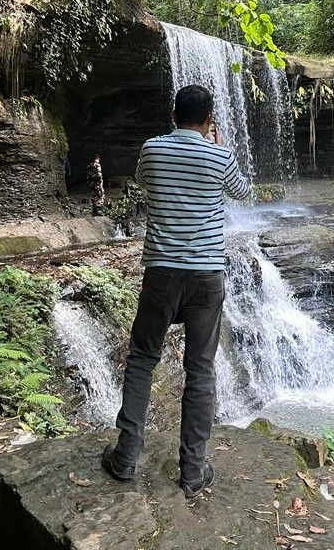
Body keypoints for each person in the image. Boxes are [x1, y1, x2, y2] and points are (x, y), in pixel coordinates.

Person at [101, 84, 250, 497]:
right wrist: (217, 146)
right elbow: (241, 192)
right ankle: (192, 471)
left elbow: (141, 180)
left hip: (162, 273)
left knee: (142, 359)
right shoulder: (220, 155)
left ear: (172, 114)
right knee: (200, 370)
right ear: (209, 119)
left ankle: (127, 456)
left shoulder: (152, 149)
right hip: (206, 275)